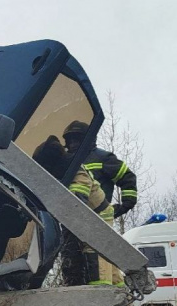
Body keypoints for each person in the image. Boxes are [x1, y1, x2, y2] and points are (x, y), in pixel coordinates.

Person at [32, 134, 117, 287]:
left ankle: (100, 294)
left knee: (96, 250)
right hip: (90, 214)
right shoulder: (67, 170)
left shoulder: (75, 171)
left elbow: (77, 204)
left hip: (98, 215)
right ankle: (120, 294)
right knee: (110, 258)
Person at [62, 120, 137, 284]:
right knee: (74, 259)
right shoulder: (66, 160)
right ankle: (118, 295)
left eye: (77, 139)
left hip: (98, 215)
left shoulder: (103, 158)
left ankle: (105, 296)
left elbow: (127, 177)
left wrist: (125, 205)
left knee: (98, 254)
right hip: (73, 219)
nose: (73, 144)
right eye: (71, 140)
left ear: (87, 139)